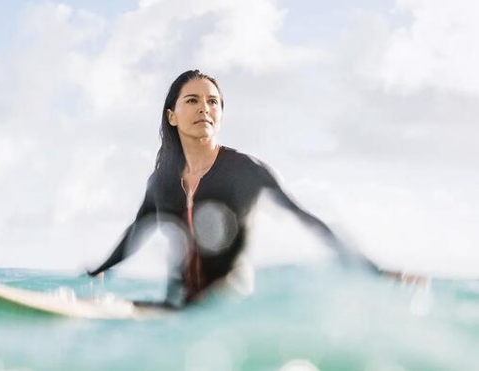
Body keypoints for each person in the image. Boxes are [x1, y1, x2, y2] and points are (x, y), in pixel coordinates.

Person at [87, 70, 380, 309]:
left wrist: (373, 269)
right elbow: (137, 231)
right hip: (179, 308)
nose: (204, 107)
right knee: (108, 306)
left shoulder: (247, 170)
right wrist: (99, 268)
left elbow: (306, 219)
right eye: (191, 100)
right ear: (172, 116)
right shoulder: (161, 182)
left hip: (228, 307)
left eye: (213, 101)